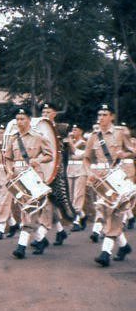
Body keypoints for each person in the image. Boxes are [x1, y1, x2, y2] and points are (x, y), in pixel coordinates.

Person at [84, 104, 135, 267]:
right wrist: (90, 172)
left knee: (115, 212)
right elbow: (86, 158)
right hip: (102, 180)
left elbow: (133, 152)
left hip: (118, 178)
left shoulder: (121, 133)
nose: (101, 117)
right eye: (99, 114)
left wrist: (124, 154)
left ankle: (105, 252)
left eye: (105, 114)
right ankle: (124, 246)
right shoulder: (93, 136)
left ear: (111, 116)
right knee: (106, 212)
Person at [6, 108, 53, 259]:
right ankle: (41, 239)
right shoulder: (13, 138)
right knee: (25, 209)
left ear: (29, 120)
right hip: (18, 178)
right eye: (17, 119)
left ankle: (21, 246)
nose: (19, 122)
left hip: (33, 177)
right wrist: (8, 171)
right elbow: (7, 157)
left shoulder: (38, 137)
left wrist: (38, 160)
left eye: (22, 119)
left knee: (30, 210)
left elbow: (49, 155)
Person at [40, 103, 68, 246]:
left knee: (50, 199)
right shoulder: (38, 128)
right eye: (43, 111)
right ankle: (60, 230)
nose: (45, 114)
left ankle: (42, 233)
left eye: (48, 111)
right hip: (42, 167)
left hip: (55, 168)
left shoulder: (61, 128)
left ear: (54, 114)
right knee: (50, 200)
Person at [66, 124, 87, 231]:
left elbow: (77, 155)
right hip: (70, 169)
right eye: (72, 130)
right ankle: (82, 215)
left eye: (76, 129)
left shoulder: (84, 143)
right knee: (69, 196)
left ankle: (76, 220)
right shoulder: (69, 143)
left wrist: (70, 142)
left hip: (80, 169)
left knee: (78, 195)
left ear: (81, 131)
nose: (73, 131)